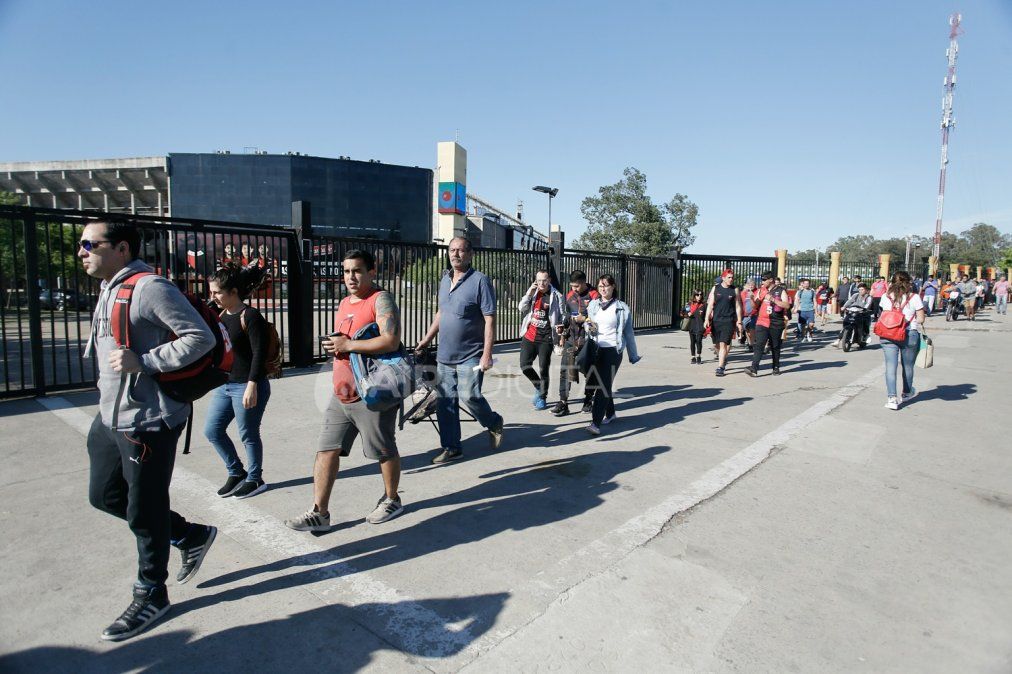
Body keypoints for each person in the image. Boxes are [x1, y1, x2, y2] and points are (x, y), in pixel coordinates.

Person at [78, 220, 217, 641]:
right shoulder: (108, 287)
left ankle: (151, 591)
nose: (81, 251)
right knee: (104, 495)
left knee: (144, 507)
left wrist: (147, 361)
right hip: (110, 417)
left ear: (121, 248)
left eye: (89, 244)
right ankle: (188, 534)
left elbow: (201, 337)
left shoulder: (150, 288)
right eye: (80, 244)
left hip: (148, 420)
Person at [285, 249, 405, 532]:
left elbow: (390, 340)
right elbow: (349, 341)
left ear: (371, 272)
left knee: (383, 450)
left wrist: (348, 345)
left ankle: (392, 499)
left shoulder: (380, 299)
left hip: (372, 393)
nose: (350, 276)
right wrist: (339, 344)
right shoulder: (343, 303)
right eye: (347, 271)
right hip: (340, 394)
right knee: (326, 450)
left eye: (357, 271)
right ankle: (320, 512)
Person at [415, 237, 504, 463]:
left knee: (470, 395)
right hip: (445, 355)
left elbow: (490, 319)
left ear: (470, 254)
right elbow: (440, 313)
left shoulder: (480, 281)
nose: (456, 254)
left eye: (461, 251)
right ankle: (452, 447)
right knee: (446, 402)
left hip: (471, 354)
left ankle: (493, 422)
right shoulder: (445, 280)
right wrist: (426, 339)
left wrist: (487, 353)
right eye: (452, 250)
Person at [204, 263, 273, 499]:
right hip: (225, 384)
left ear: (234, 292)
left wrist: (252, 385)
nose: (212, 297)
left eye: (217, 292)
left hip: (248, 385)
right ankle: (236, 472)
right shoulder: (220, 315)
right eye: (211, 292)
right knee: (212, 430)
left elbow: (259, 354)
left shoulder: (251, 316)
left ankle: (255, 479)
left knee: (248, 434)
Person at [583, 274, 641, 435]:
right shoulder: (593, 305)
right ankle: (611, 413)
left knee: (603, 385)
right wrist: (589, 327)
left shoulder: (621, 307)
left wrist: (633, 355)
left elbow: (628, 332)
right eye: (600, 286)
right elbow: (588, 323)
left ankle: (595, 423)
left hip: (613, 350)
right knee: (602, 383)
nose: (603, 289)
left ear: (613, 286)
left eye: (606, 286)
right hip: (596, 349)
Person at [517, 269, 566, 411]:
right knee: (524, 365)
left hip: (546, 338)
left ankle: (542, 397)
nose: (541, 283)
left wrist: (561, 335)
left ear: (549, 280)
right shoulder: (533, 293)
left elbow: (563, 316)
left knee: (544, 368)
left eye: (544, 280)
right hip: (530, 335)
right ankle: (539, 386)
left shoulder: (556, 296)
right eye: (538, 280)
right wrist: (529, 293)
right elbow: (521, 308)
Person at [879, 271, 927, 410]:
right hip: (909, 333)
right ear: (908, 283)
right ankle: (906, 393)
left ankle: (892, 398)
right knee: (907, 366)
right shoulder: (914, 297)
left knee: (890, 366)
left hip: (888, 333)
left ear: (892, 282)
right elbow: (921, 319)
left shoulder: (885, 296)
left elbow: (884, 312)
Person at [555, 270, 598, 416]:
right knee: (564, 370)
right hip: (571, 339)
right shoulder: (569, 295)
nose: (574, 289)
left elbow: (599, 317)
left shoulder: (594, 296)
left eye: (577, 286)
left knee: (589, 370)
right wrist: (563, 326)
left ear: (584, 282)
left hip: (588, 340)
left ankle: (588, 400)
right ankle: (563, 402)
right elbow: (566, 314)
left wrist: (584, 319)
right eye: (572, 286)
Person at [746, 272, 789, 376]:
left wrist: (773, 299)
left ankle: (776, 367)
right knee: (759, 345)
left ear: (771, 280)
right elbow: (754, 306)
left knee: (775, 346)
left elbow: (787, 305)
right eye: (762, 280)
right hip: (762, 321)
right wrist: (752, 298)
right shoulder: (761, 290)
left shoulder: (780, 290)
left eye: (764, 280)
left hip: (776, 322)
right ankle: (754, 368)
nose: (762, 282)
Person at [704, 269, 742, 377]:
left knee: (723, 343)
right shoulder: (716, 288)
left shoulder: (734, 290)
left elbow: (738, 306)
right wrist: (707, 318)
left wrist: (739, 321)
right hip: (716, 320)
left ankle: (720, 367)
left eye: (732, 277)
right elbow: (710, 305)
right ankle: (722, 357)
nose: (731, 279)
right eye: (729, 277)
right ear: (723, 278)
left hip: (729, 321)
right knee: (717, 345)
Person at [835, 283, 872, 348]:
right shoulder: (856, 295)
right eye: (859, 289)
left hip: (863, 313)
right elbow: (849, 301)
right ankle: (839, 339)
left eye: (862, 289)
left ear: (866, 290)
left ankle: (866, 335)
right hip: (854, 312)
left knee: (866, 322)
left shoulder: (868, 297)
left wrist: (865, 309)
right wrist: (844, 307)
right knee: (846, 323)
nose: (860, 291)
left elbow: (868, 304)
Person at [686, 289, 706, 364]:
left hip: (700, 326)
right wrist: (687, 314)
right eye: (697, 295)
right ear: (694, 295)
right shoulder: (689, 304)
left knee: (699, 341)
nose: (699, 296)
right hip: (692, 325)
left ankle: (699, 356)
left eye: (701, 295)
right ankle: (693, 357)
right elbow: (682, 312)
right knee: (692, 342)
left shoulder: (704, 305)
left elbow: (707, 316)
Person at [739, 279, 758, 350]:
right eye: (749, 285)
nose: (751, 286)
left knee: (752, 329)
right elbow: (740, 302)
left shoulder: (757, 292)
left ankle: (751, 344)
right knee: (747, 330)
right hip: (745, 315)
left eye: (752, 284)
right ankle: (750, 342)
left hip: (754, 314)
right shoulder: (744, 293)